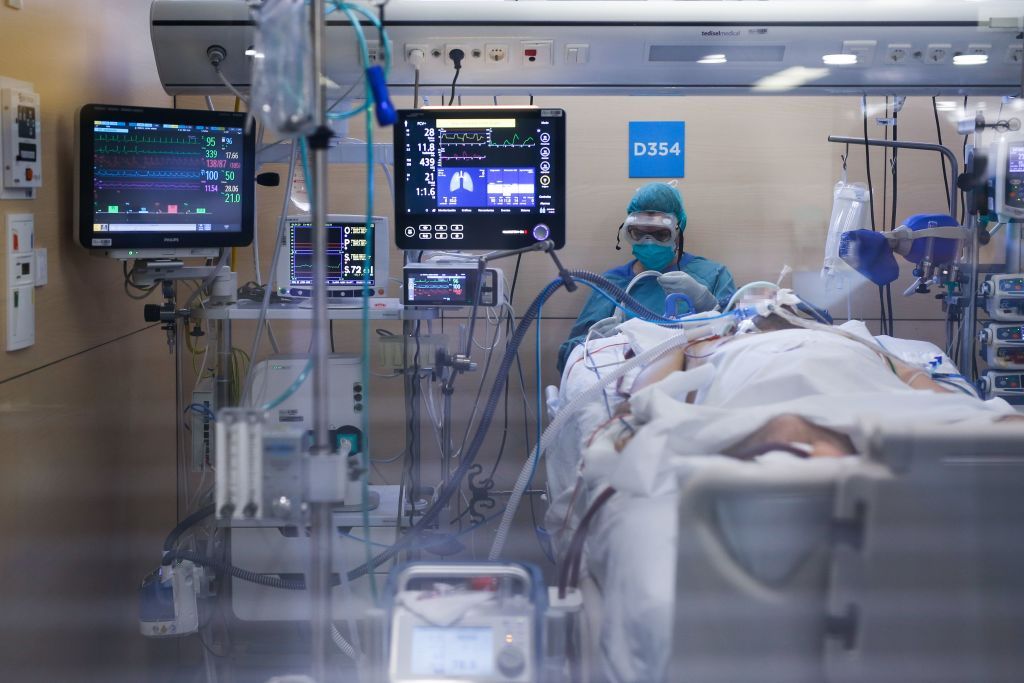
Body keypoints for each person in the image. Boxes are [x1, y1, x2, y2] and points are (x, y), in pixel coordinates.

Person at [557, 181, 736, 371]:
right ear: (628, 232)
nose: (648, 241)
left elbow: (738, 341)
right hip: (625, 382)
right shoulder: (611, 284)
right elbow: (569, 357)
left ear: (678, 230)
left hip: (694, 378)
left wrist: (708, 304)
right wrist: (592, 340)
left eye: (660, 234)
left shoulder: (713, 275)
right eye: (639, 233)